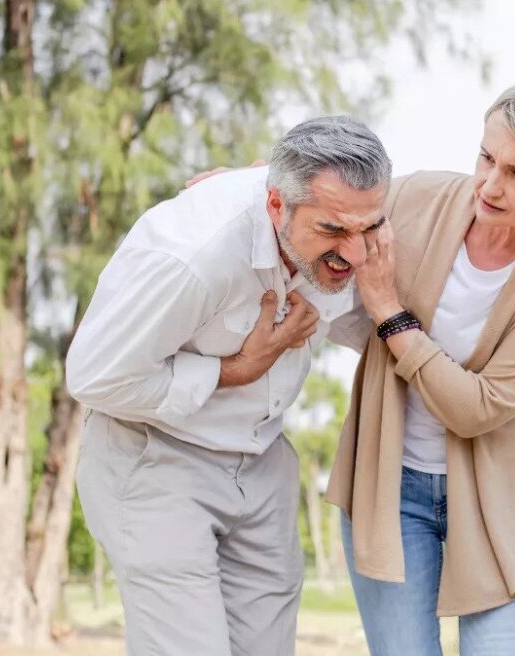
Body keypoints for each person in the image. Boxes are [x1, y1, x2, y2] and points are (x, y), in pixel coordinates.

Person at [67, 115, 389, 656]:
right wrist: (235, 369)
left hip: (261, 465)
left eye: (369, 228)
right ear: (275, 206)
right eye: (332, 231)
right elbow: (95, 375)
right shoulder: (192, 255)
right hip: (157, 465)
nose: (355, 255)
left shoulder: (343, 208)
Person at [332, 78, 515, 656]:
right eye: (487, 157)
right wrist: (246, 186)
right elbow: (321, 196)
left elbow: (476, 409)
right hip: (390, 491)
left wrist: (389, 313)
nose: (490, 183)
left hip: (497, 504)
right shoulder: (418, 198)